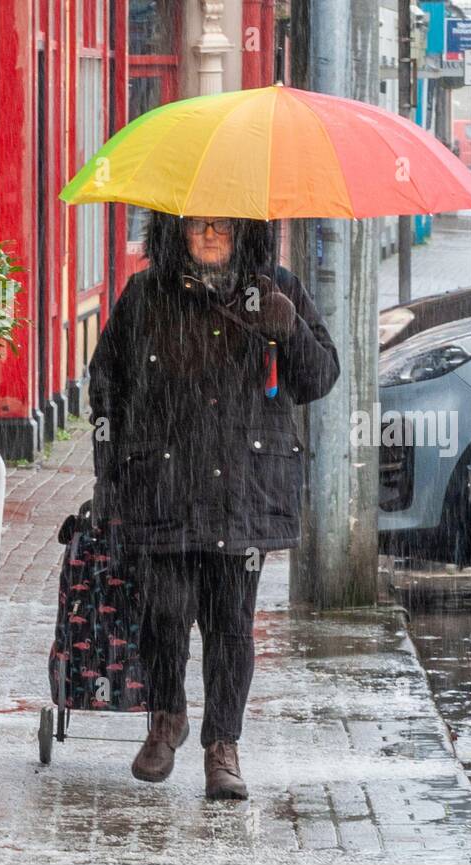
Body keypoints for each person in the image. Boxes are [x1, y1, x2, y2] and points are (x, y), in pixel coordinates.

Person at [88, 213, 339, 798]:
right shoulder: (146, 294)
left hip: (242, 488)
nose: (207, 237)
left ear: (244, 232)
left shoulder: (276, 288)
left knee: (231, 624)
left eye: (221, 227)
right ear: (175, 231)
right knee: (166, 611)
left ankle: (222, 746)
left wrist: (290, 326)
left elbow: (319, 377)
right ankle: (166, 718)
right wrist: (110, 475)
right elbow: (107, 381)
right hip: (161, 484)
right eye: (197, 226)